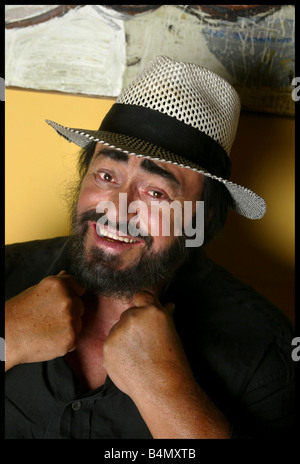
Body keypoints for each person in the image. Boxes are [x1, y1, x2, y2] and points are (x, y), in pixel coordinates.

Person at [5, 56, 294, 439]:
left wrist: (167, 394)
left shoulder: (264, 351)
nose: (116, 207)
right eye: (107, 175)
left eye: (155, 192)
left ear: (200, 219)